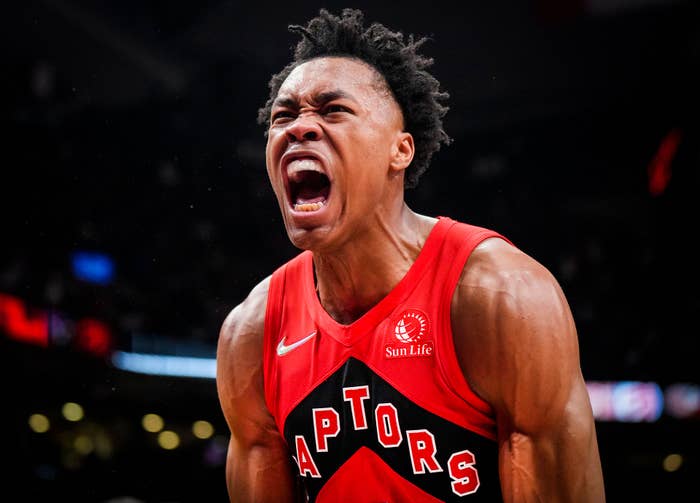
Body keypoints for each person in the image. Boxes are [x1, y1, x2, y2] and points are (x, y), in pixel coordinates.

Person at [215, 8, 605, 502]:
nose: (300, 128)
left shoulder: (500, 297)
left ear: (400, 150)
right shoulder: (252, 332)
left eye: (333, 110)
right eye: (284, 116)